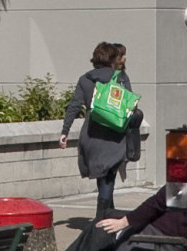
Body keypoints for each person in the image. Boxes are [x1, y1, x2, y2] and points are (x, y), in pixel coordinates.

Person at [62, 39, 144, 219]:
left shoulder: (85, 79)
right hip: (113, 135)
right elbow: (130, 105)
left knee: (104, 178)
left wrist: (64, 132)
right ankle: (101, 222)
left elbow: (74, 106)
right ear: (113, 59)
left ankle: (108, 219)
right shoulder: (120, 77)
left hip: (91, 135)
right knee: (107, 179)